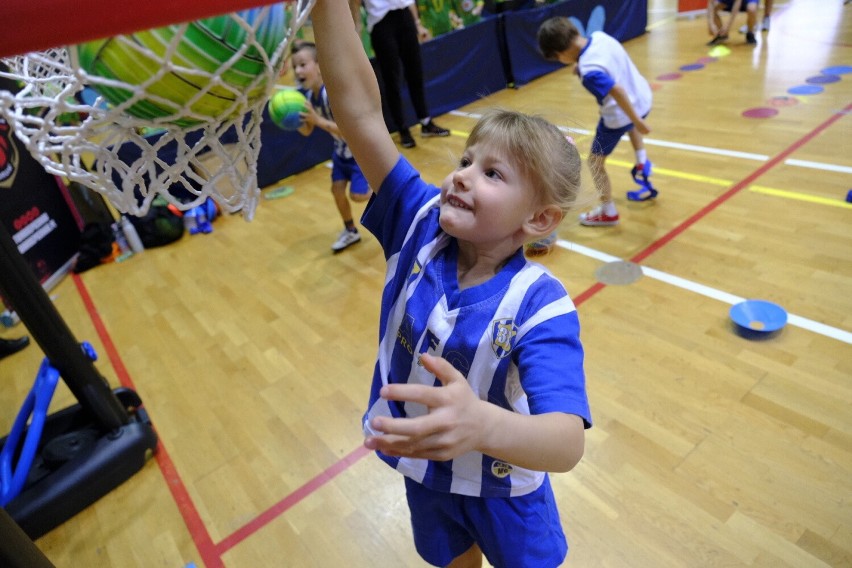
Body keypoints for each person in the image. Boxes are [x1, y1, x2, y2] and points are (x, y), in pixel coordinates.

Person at [312, 0, 592, 565]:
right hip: (428, 476)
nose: (462, 175)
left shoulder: (542, 305)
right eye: (466, 160)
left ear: (538, 219)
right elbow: (362, 112)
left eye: (492, 173)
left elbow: (566, 442)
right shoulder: (416, 223)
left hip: (505, 490)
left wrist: (482, 423)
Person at [538, 17, 655, 227]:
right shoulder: (600, 37)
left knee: (594, 162)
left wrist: (637, 121)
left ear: (561, 54)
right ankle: (641, 160)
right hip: (643, 96)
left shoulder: (590, 72)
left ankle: (608, 212)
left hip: (621, 116)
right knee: (630, 122)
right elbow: (605, 62)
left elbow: (617, 91)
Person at [291, 42, 372, 253]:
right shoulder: (309, 97)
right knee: (336, 191)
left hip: (358, 153)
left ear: (319, 65)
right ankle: (351, 231)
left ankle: (385, 189)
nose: (298, 71)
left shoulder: (331, 95)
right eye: (294, 67)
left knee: (358, 196)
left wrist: (317, 120)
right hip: (340, 153)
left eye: (302, 64)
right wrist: (292, 121)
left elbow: (349, 131)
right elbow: (307, 130)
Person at [350, 0, 451, 149]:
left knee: (415, 72)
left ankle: (425, 122)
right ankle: (402, 129)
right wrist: (356, 31)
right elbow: (355, 3)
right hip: (381, 22)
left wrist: (417, 23)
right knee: (392, 78)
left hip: (405, 16)